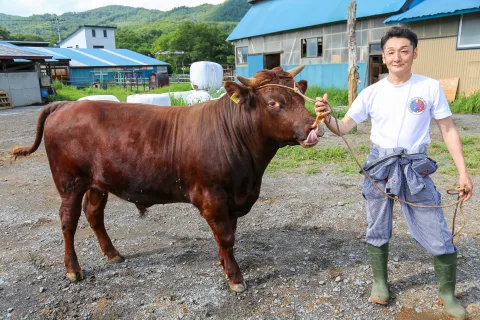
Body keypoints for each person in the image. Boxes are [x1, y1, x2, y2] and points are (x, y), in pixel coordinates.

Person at [314, 26, 473, 320]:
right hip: (379, 164)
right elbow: (343, 127)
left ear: (414, 53)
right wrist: (327, 117)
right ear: (384, 57)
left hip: (414, 165)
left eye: (404, 50)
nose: (397, 57)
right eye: (391, 52)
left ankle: (447, 293)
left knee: (436, 227)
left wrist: (464, 172)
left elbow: (448, 129)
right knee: (377, 225)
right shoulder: (371, 93)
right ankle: (380, 282)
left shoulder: (429, 87)